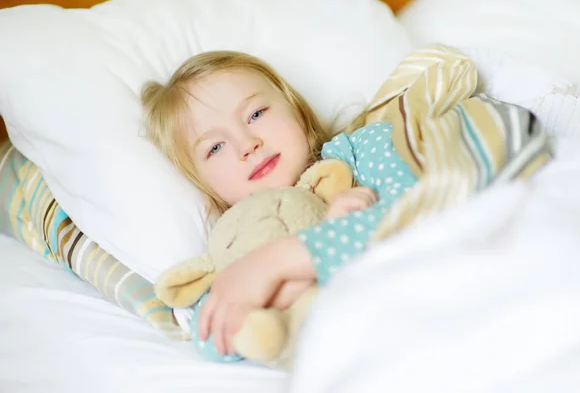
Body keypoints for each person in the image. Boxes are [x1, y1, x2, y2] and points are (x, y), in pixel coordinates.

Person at [141, 51, 417, 361]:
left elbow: (418, 213)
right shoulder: (236, 243)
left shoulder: (363, 149)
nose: (248, 144)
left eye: (256, 114)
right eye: (215, 147)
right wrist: (288, 275)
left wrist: (279, 262)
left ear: (295, 108)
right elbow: (216, 341)